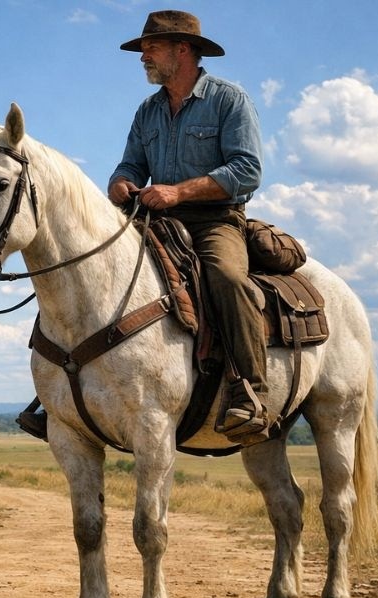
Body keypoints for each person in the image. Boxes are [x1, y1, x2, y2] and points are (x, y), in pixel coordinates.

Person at [107, 9, 270, 443]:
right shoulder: (148, 111)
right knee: (95, 269)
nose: (143, 54)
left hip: (215, 220)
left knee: (227, 277)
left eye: (151, 47)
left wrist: (178, 192)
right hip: (153, 219)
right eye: (143, 47)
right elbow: (131, 163)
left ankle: (251, 390)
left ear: (183, 50)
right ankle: (64, 393)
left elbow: (247, 170)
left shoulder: (228, 99)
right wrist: (121, 182)